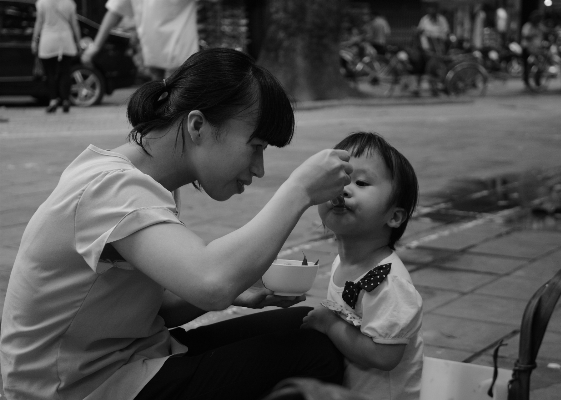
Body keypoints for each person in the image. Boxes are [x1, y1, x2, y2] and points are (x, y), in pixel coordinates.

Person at [0, 48, 353, 400]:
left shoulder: (145, 180)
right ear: (197, 125)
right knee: (314, 353)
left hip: (130, 358)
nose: (258, 168)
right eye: (256, 146)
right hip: (79, 388)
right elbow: (211, 283)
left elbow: (159, 310)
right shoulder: (112, 187)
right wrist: (299, 190)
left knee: (309, 324)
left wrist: (242, 288)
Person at [302, 132, 423, 400]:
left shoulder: (389, 282)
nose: (343, 189)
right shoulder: (341, 262)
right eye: (338, 179)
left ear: (394, 216)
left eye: (361, 182)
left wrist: (330, 325)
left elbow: (384, 355)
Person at [81, 0, 198, 80]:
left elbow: (114, 12)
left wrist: (95, 47)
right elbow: (115, 12)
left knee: (166, 104)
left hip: (167, 57)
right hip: (175, 55)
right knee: (174, 105)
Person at [31, 0, 81, 113]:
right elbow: (75, 24)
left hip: (48, 40)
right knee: (65, 72)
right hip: (66, 40)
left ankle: (53, 100)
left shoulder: (42, 3)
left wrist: (34, 40)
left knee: (50, 73)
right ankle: (65, 100)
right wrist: (78, 42)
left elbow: (39, 22)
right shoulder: (69, 3)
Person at [521, 10, 545, 90]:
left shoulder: (539, 26)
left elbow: (545, 31)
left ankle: (537, 82)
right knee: (526, 66)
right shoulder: (528, 26)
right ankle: (527, 82)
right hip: (527, 48)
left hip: (536, 49)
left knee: (540, 65)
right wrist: (533, 35)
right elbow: (525, 36)